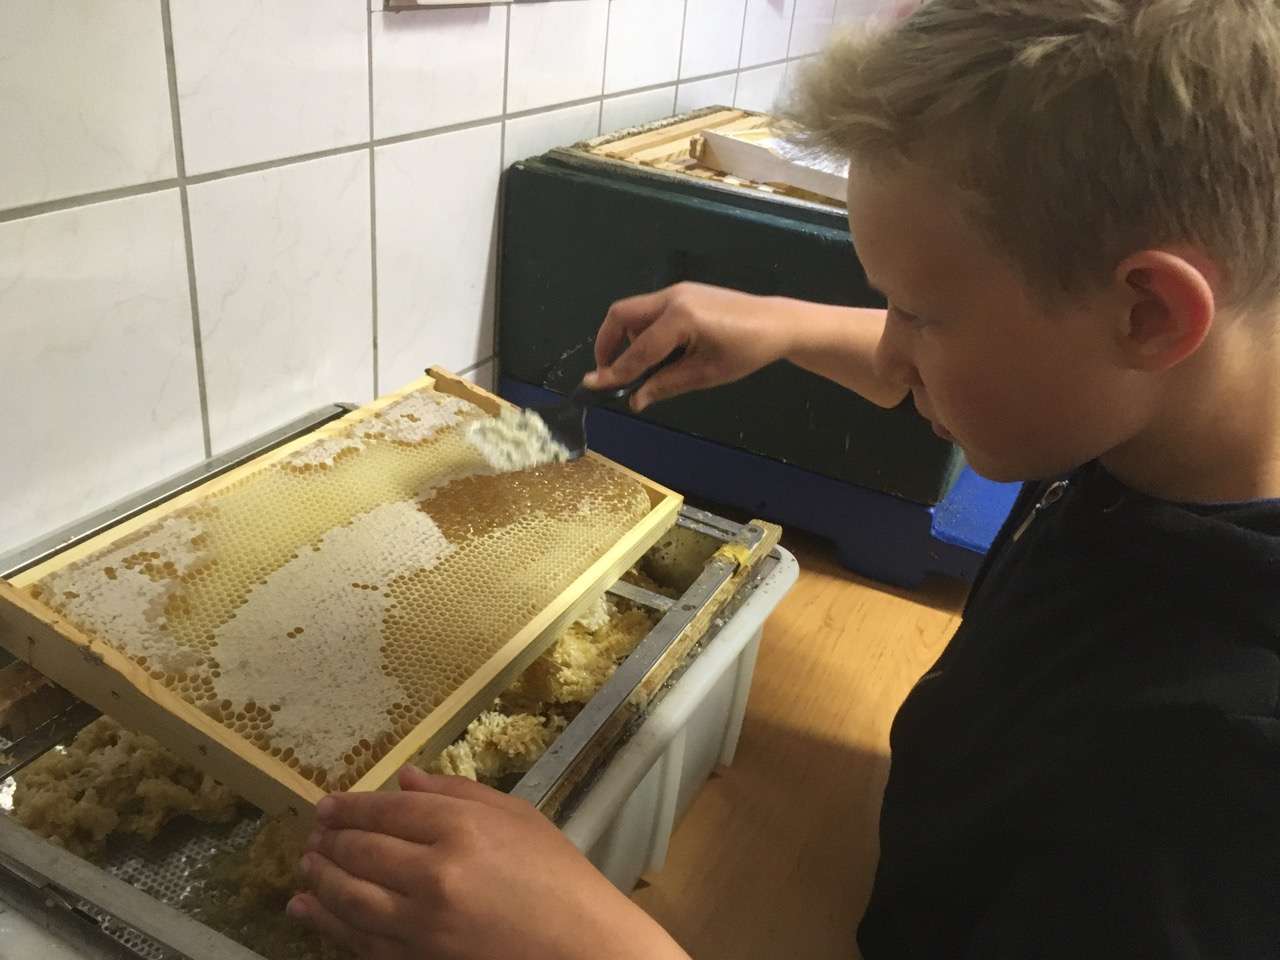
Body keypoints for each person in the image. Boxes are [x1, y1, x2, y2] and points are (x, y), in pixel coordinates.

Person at [286, 2, 1280, 956]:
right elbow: (1037, 355)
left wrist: (585, 944)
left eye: (919, 315)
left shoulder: (1217, 786)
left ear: (1150, 314)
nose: (889, 352)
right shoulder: (1155, 423)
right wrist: (785, 325)